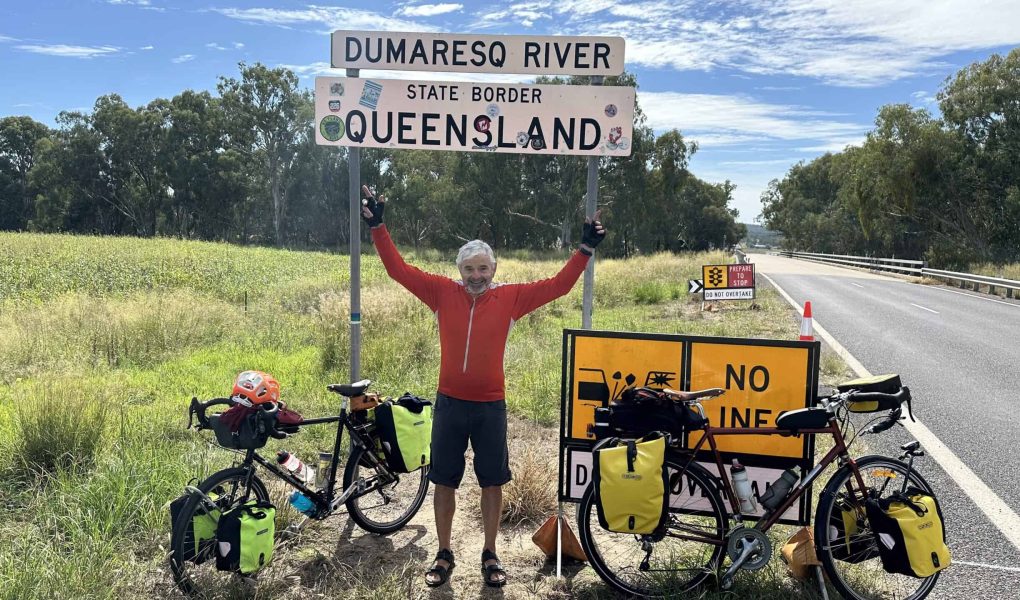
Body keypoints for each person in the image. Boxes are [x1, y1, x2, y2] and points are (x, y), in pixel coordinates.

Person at [359, 184, 605, 588]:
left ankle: (490, 552)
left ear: (494, 269)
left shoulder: (511, 298)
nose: (476, 276)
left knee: (492, 482)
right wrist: (379, 227)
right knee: (444, 480)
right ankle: (443, 552)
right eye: (469, 269)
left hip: (490, 406)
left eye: (483, 269)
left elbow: (559, 286)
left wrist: (584, 249)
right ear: (460, 271)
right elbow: (398, 271)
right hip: (450, 404)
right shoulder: (441, 292)